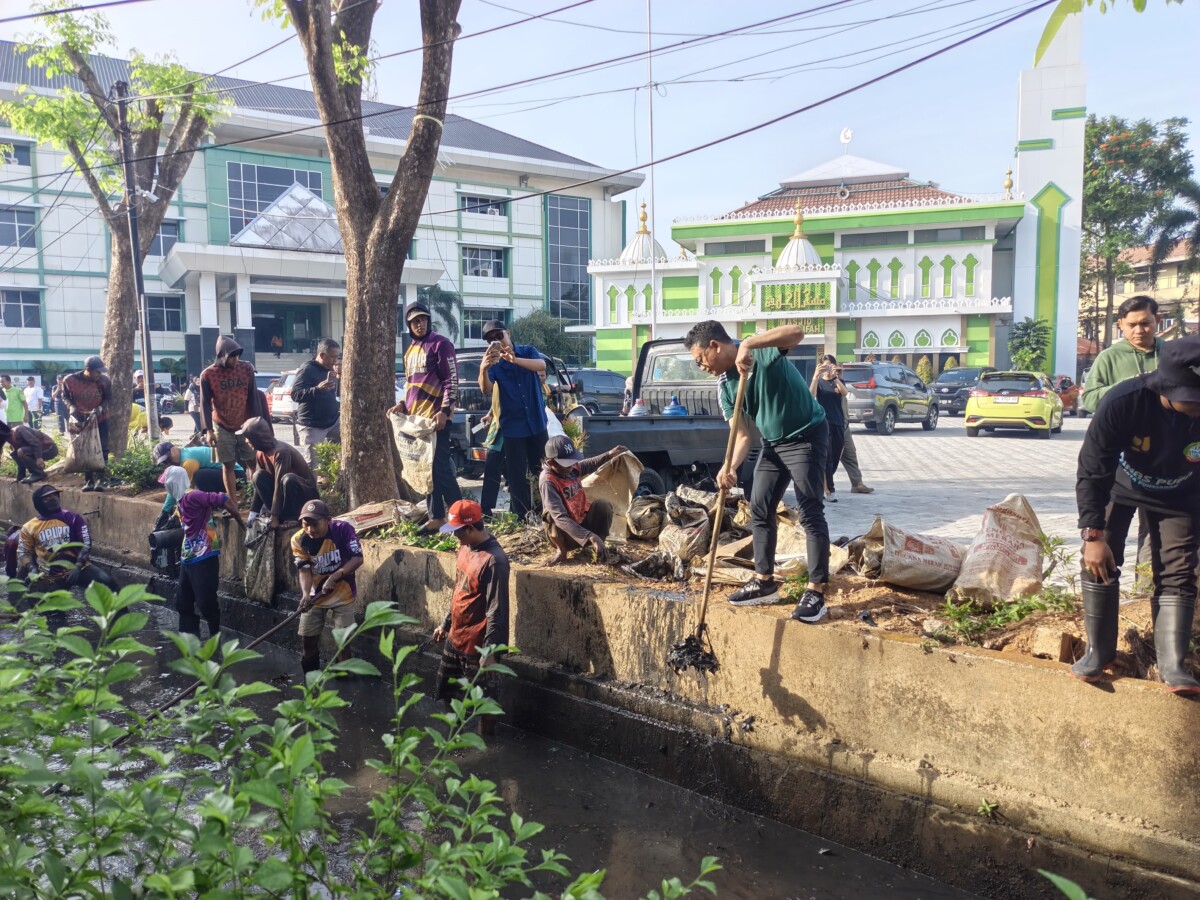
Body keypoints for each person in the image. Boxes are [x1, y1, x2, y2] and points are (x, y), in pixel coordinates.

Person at [1074, 335, 1200, 695]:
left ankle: (1173, 664)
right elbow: (1092, 470)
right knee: (1099, 562)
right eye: (1190, 399)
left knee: (1178, 570)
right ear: (1165, 385)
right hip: (1119, 487)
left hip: (1182, 495)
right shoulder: (1124, 403)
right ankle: (1099, 653)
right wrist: (1093, 535)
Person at [686, 320, 831, 621]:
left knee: (809, 509)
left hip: (806, 435)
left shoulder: (762, 351)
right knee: (759, 507)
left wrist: (750, 344)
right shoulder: (725, 386)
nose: (701, 367)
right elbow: (741, 436)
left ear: (715, 345)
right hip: (774, 443)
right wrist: (730, 466)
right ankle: (765, 582)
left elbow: (797, 332)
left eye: (700, 360)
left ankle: (816, 591)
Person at [431, 500, 510, 734]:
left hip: (478, 643)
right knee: (448, 691)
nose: (455, 537)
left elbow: (497, 609)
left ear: (471, 528)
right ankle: (451, 738)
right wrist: (446, 623)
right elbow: (459, 589)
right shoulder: (465, 548)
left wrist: (491, 652)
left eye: (457, 532)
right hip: (456, 635)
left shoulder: (494, 561)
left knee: (483, 703)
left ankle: (485, 745)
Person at [390, 302, 461, 533]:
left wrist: (445, 410)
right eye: (415, 321)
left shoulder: (440, 344)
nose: (420, 324)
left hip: (437, 420)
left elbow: (452, 381)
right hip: (417, 422)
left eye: (423, 320)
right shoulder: (410, 349)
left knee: (439, 468)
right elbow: (412, 385)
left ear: (429, 321)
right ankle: (437, 517)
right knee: (426, 469)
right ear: (409, 325)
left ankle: (459, 513)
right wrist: (401, 404)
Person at [160, 465, 243, 639]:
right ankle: (189, 641)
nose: (166, 487)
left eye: (167, 483)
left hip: (204, 555)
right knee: (183, 603)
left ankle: (215, 640)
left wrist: (241, 523)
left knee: (206, 603)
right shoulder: (181, 500)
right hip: (188, 556)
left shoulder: (193, 496)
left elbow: (222, 498)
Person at [477, 320, 547, 520]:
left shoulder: (527, 350)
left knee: (543, 470)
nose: (497, 341)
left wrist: (514, 359)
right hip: (512, 427)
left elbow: (541, 365)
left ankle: (546, 512)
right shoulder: (494, 364)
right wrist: (483, 369)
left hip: (536, 423)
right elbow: (485, 389)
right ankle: (522, 516)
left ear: (508, 333)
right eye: (491, 340)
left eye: (499, 336)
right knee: (516, 476)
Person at [291, 499, 363, 675]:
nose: (310, 530)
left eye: (315, 524)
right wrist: (306, 594)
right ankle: (311, 680)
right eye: (306, 524)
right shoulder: (299, 539)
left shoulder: (343, 530)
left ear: (327, 520)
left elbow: (357, 558)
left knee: (343, 643)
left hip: (342, 593)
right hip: (316, 596)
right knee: (308, 641)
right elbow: (305, 571)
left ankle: (343, 682)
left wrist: (336, 575)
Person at [539, 434, 627, 566]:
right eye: (566, 464)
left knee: (603, 505)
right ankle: (561, 551)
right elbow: (560, 518)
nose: (570, 467)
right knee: (550, 514)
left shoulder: (572, 469)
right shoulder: (548, 480)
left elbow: (589, 464)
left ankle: (598, 548)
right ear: (551, 463)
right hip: (564, 534)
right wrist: (590, 536)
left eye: (571, 462)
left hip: (581, 522)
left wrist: (609, 454)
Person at [16, 484, 118, 594]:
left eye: (55, 495)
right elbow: (23, 552)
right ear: (39, 502)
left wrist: (78, 566)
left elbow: (86, 543)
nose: (53, 498)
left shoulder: (73, 518)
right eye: (47, 498)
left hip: (79, 568)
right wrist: (33, 570)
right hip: (48, 574)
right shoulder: (29, 527)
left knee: (111, 587)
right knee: (46, 608)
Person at [1080, 295, 1164, 414]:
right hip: (1124, 429)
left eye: (1145, 323)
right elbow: (1090, 401)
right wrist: (1130, 384)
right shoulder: (1108, 357)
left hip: (1168, 430)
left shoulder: (1174, 354)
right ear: (1120, 324)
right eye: (1132, 325)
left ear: (1157, 320)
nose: (1139, 330)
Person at [200, 335, 259, 501]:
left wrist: (257, 424)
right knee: (228, 464)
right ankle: (232, 501)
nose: (236, 360)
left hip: (245, 423)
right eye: (232, 357)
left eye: (237, 356)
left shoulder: (246, 368)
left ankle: (257, 498)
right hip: (222, 424)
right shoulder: (208, 375)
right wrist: (208, 431)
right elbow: (204, 403)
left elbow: (253, 397)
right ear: (222, 356)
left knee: (253, 462)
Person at [237, 416, 319, 528]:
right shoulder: (261, 453)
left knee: (288, 479)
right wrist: (253, 514)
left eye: (248, 438)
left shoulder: (281, 453)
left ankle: (292, 518)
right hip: (284, 494)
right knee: (258, 476)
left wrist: (274, 517)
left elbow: (278, 483)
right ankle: (281, 515)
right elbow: (258, 486)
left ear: (257, 438)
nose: (246, 441)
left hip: (303, 495)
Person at [62, 355, 113, 492]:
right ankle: (89, 481)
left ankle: (101, 480)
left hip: (100, 418)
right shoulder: (70, 380)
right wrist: (71, 406)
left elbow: (108, 398)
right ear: (88, 370)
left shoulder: (104, 381)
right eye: (97, 371)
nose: (99, 374)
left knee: (102, 448)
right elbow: (65, 396)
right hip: (80, 419)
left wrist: (101, 408)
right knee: (83, 449)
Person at [291, 338, 342, 469]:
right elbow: (295, 394)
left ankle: (337, 485)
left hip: (333, 421)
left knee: (347, 450)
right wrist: (317, 389)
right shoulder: (307, 369)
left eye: (337, 357)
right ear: (322, 355)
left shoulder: (331, 369)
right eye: (332, 357)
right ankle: (312, 489)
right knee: (313, 464)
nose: (335, 361)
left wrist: (342, 379)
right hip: (312, 425)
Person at [809, 355, 847, 503]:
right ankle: (830, 490)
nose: (828, 369)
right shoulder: (818, 382)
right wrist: (815, 376)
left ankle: (824, 483)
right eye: (825, 366)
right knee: (828, 458)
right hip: (823, 423)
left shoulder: (838, 382)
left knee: (836, 457)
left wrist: (835, 378)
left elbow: (844, 393)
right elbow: (811, 395)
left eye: (830, 366)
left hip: (838, 423)